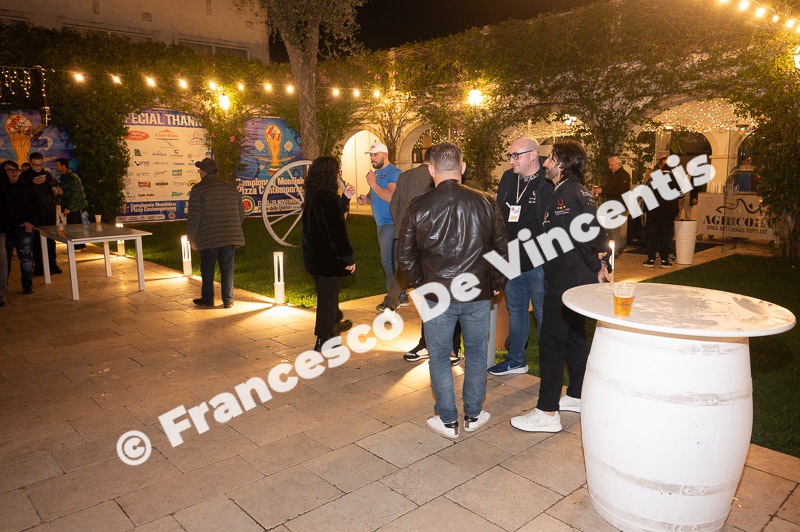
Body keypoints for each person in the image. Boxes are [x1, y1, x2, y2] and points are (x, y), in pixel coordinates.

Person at [398, 142, 508, 439]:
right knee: (476, 354)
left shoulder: (418, 205)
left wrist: (423, 286)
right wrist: (495, 284)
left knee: (438, 357)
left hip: (437, 295)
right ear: (462, 167)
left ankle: (448, 420)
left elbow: (405, 256)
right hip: (476, 293)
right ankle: (473, 414)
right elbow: (502, 250)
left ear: (431, 169)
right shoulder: (485, 202)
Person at [511, 140, 611, 434]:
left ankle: (547, 412)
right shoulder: (581, 191)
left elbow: (579, 237)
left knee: (551, 342)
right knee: (575, 335)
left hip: (567, 279)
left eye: (551, 158)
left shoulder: (565, 193)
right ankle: (577, 394)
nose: (546, 163)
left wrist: (597, 265)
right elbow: (598, 231)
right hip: (576, 277)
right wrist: (602, 263)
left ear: (563, 164)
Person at [489, 137, 552, 376]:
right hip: (511, 256)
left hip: (539, 258)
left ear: (533, 154)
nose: (511, 160)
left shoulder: (547, 179)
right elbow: (499, 213)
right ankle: (516, 359)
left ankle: (550, 364)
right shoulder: (508, 178)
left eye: (516, 155)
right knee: (516, 310)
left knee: (543, 312)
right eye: (510, 156)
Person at [301, 157, 357, 351]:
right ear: (331, 174)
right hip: (329, 258)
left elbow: (331, 215)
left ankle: (334, 327)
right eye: (337, 172)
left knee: (329, 296)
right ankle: (322, 337)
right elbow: (337, 231)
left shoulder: (313, 195)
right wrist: (348, 258)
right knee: (327, 299)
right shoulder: (328, 197)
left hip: (314, 257)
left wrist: (345, 198)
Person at [187, 157, 245, 309]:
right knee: (227, 268)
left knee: (207, 268)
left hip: (209, 236)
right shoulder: (230, 188)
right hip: (229, 235)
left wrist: (192, 238)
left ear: (203, 172)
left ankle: (208, 299)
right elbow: (241, 213)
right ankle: (228, 300)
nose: (199, 173)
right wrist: (232, 226)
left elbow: (194, 216)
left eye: (199, 170)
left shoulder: (198, 189)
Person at [356, 142, 404, 312]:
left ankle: (392, 300)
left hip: (391, 223)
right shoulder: (376, 174)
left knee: (389, 263)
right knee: (390, 263)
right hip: (381, 224)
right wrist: (366, 199)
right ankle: (400, 296)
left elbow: (391, 197)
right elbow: (374, 196)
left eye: (375, 155)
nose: (372, 158)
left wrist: (373, 184)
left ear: (385, 154)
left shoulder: (394, 173)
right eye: (371, 155)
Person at [2, 160, 44, 295]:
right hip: (5, 231)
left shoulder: (27, 187)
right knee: (4, 262)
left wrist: (31, 222)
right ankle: (3, 289)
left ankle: (27, 285)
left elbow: (41, 206)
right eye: (10, 170)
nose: (14, 173)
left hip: (24, 230)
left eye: (16, 170)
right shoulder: (3, 189)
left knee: (26, 259)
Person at [21, 152, 61, 274]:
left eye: (40, 165)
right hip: (35, 213)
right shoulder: (25, 176)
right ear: (30, 163)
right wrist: (32, 183)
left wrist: (57, 191)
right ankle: (39, 267)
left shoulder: (47, 174)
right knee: (37, 241)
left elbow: (57, 189)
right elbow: (21, 195)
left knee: (51, 240)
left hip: (49, 210)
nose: (38, 167)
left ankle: (52, 264)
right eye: (35, 165)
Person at [642, 153, 680, 268]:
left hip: (653, 212)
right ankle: (664, 259)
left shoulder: (654, 178)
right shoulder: (674, 179)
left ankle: (651, 258)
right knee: (665, 237)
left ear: (660, 166)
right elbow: (681, 194)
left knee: (652, 236)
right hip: (667, 213)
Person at [600, 156, 631, 257]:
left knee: (613, 229)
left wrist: (603, 191)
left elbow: (621, 191)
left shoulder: (624, 175)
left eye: (611, 165)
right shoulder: (612, 176)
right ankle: (618, 248)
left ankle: (615, 251)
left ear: (618, 164)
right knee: (613, 229)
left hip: (618, 205)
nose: (610, 167)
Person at [55, 159, 88, 224]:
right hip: (70, 208)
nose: (55, 167)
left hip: (75, 208)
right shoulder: (63, 177)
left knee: (74, 227)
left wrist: (68, 207)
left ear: (63, 166)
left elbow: (76, 194)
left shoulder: (73, 177)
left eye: (57, 165)